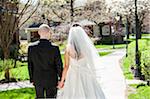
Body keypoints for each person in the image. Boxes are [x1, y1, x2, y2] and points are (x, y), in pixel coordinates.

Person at [57, 24, 106, 99]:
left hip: (72, 75)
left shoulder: (68, 48)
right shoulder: (86, 47)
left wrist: (62, 81)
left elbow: (66, 66)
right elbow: (91, 62)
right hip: (86, 73)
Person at [28, 24, 63, 98]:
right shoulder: (54, 48)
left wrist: (32, 78)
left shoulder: (31, 48)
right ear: (48, 33)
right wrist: (61, 78)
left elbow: (30, 65)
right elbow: (59, 65)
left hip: (37, 78)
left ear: (39, 33)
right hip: (51, 79)